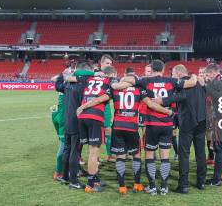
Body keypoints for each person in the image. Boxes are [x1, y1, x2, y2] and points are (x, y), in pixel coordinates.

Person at [77, 66, 174, 195]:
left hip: (117, 126)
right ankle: (137, 184)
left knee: (120, 157)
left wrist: (84, 106)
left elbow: (100, 99)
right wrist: (167, 111)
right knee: (136, 155)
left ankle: (122, 186)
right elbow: (151, 104)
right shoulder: (139, 89)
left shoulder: (115, 90)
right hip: (132, 126)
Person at [117, 60, 198, 195]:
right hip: (167, 124)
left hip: (151, 124)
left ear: (152, 69)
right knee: (165, 157)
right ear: (163, 69)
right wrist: (194, 75)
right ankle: (164, 187)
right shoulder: (172, 81)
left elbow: (127, 79)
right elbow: (192, 83)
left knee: (150, 156)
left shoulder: (145, 80)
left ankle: (152, 186)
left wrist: (127, 79)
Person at [157, 64, 208, 193]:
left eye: (173, 74)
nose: (173, 77)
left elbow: (180, 97)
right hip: (202, 120)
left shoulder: (183, 84)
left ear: (179, 74)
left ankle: (183, 185)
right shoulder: (199, 83)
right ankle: (201, 182)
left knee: (184, 154)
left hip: (188, 122)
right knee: (200, 153)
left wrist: (161, 100)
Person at [66, 64, 113, 193]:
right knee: (93, 152)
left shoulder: (88, 79)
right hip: (94, 116)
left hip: (82, 118)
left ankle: (93, 178)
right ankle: (91, 184)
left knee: (88, 150)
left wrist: (93, 75)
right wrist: (85, 105)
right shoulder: (110, 82)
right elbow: (102, 98)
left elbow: (69, 78)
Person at [55, 62, 94, 190]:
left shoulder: (68, 83)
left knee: (67, 149)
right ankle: (73, 181)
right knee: (75, 151)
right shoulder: (85, 83)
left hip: (67, 121)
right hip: (78, 121)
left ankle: (65, 177)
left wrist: (62, 75)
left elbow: (57, 86)